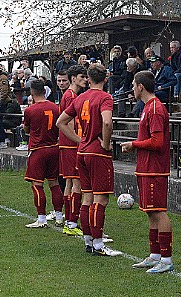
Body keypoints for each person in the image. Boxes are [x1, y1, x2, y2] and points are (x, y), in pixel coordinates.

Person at [57, 63, 122, 257]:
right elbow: (107, 121)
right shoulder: (105, 97)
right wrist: (106, 143)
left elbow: (61, 122)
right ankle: (99, 244)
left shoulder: (80, 98)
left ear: (88, 78)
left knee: (87, 197)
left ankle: (88, 241)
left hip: (82, 152)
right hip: (97, 152)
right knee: (100, 199)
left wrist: (80, 140)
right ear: (105, 79)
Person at [120, 70, 174, 273]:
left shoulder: (155, 109)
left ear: (140, 86)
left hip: (155, 169)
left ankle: (166, 259)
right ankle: (155, 255)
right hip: (146, 167)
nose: (132, 89)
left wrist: (134, 144)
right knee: (151, 212)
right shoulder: (147, 108)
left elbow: (158, 142)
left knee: (159, 211)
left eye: (134, 85)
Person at [23, 80, 63, 228]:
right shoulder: (55, 107)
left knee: (37, 184)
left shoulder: (30, 110)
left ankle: (41, 218)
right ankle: (59, 216)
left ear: (32, 92)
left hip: (38, 149)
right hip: (54, 147)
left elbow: (27, 130)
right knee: (54, 183)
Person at [58, 65, 87, 235]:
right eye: (82, 77)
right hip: (70, 144)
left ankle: (68, 220)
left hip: (67, 144)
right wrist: (79, 141)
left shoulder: (70, 95)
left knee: (69, 182)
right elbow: (68, 123)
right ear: (74, 78)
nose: (85, 80)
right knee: (77, 183)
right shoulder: (71, 96)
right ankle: (71, 222)